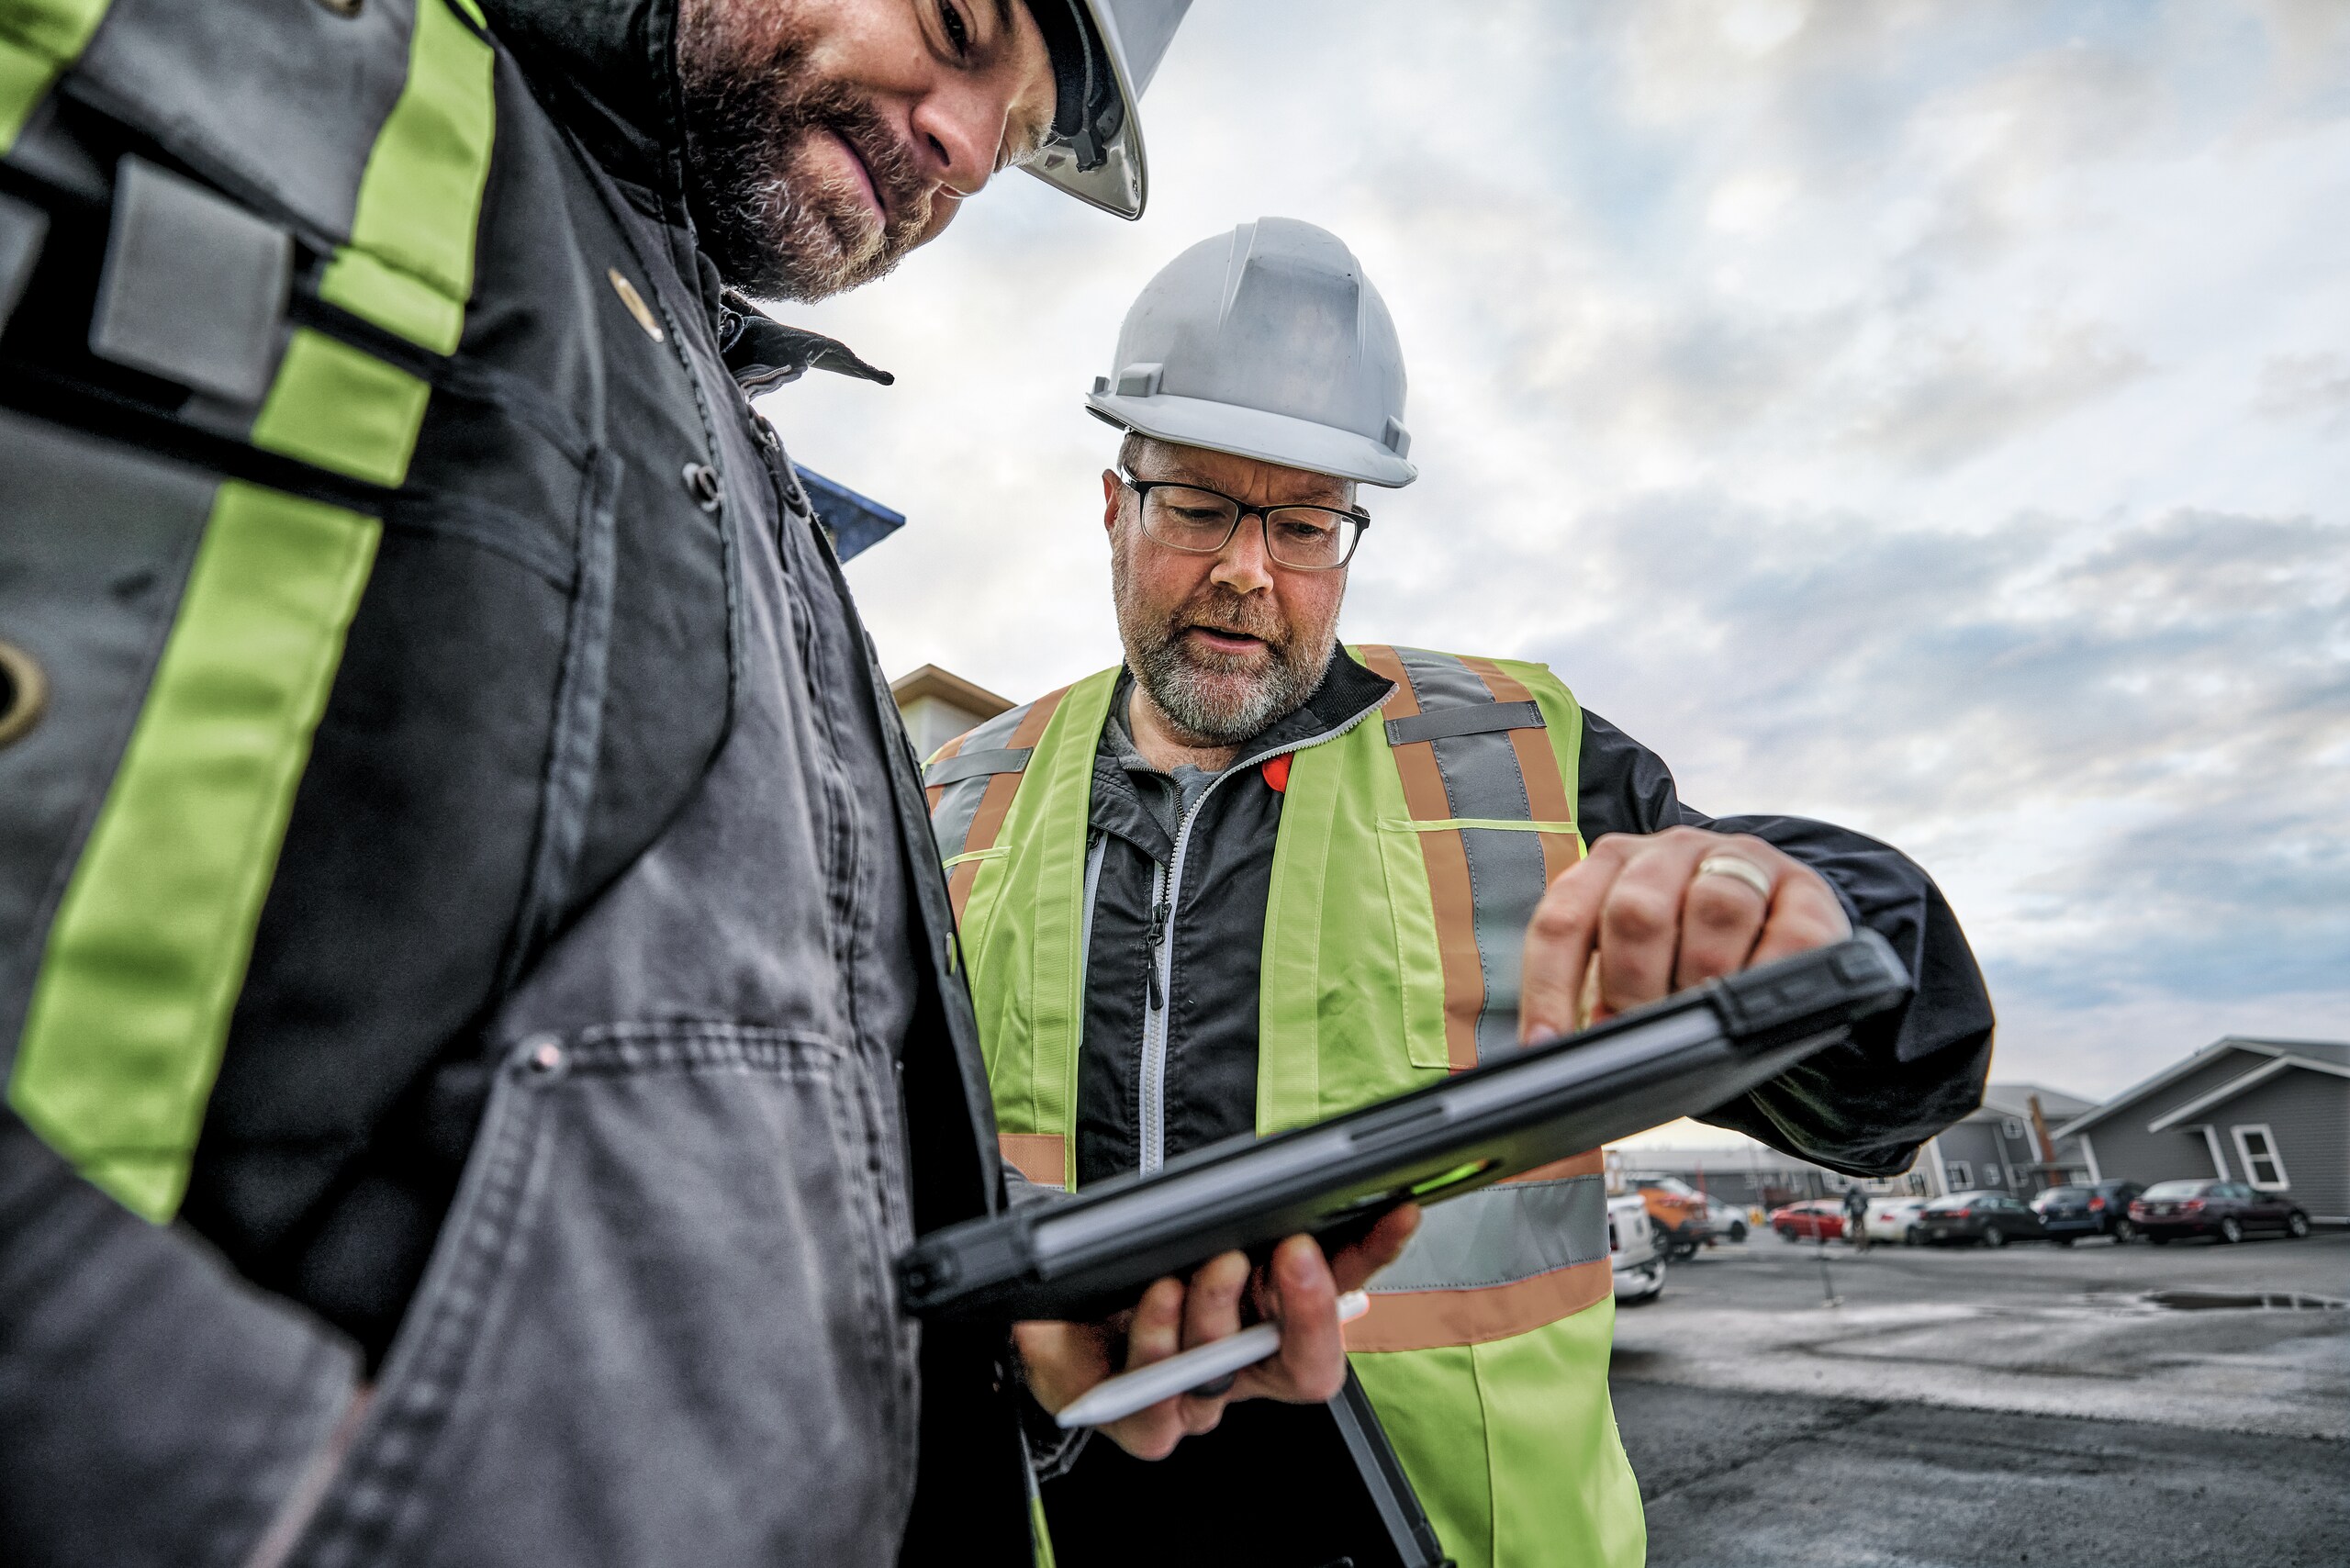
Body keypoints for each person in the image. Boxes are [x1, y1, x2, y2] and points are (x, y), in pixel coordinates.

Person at [0, 5, 1407, 1564]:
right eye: (955, 24)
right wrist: (268, 1496)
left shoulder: (723, 445)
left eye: (1006, 143)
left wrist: (1005, 1325)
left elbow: (695, 1101)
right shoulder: (233, 62)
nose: (954, 147)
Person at [924, 218, 1997, 1567]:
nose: (1250, 570)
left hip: (1451, 1533)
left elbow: (1892, 1071)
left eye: (1307, 522)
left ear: (1349, 539)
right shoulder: (959, 797)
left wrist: (1818, 923)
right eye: (1199, 507)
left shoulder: (1517, 753)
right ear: (1113, 505)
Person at [1844, 1184, 1873, 1250]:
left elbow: (1846, 1206)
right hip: (1861, 1214)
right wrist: (1863, 1211)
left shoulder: (1850, 1196)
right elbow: (1866, 1205)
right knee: (1863, 1230)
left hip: (1854, 1215)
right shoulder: (1861, 1196)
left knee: (1854, 1230)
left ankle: (1858, 1245)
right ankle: (1865, 1244)